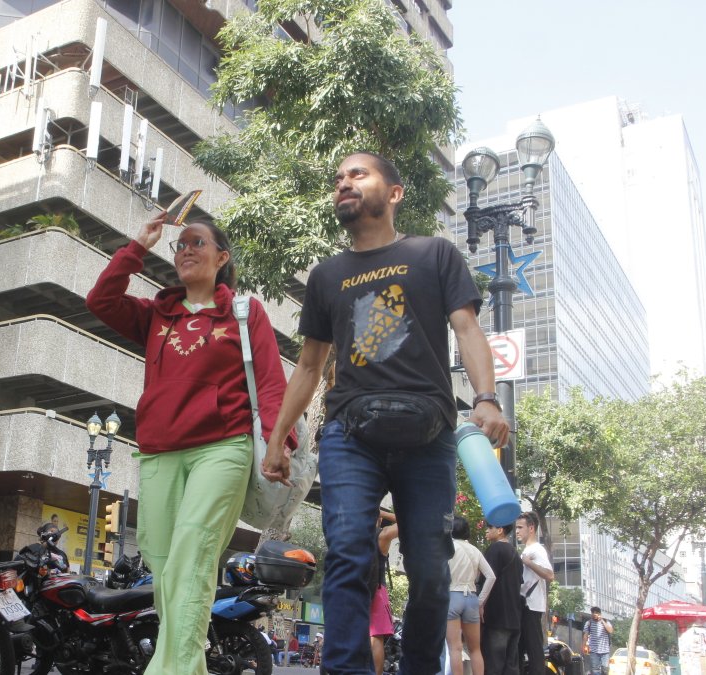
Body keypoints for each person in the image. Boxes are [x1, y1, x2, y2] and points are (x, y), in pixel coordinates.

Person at [260, 150, 509, 675]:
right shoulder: (327, 275)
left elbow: (467, 329)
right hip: (351, 433)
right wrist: (279, 437)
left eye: (358, 174)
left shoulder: (433, 254)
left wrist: (486, 398)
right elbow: (309, 365)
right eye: (338, 178)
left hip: (430, 433)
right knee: (350, 552)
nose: (344, 183)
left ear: (394, 193)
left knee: (430, 570)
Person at [85, 213, 294, 675]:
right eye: (179, 245)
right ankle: (187, 665)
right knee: (162, 562)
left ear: (222, 257)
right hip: (159, 450)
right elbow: (100, 299)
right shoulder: (157, 314)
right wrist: (139, 243)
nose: (185, 250)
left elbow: (272, 382)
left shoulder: (244, 311)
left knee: (193, 552)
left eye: (197, 243)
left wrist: (280, 440)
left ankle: (170, 669)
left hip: (223, 447)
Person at [448, 516, 496, 675]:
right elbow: (491, 576)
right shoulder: (475, 550)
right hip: (471, 599)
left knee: (455, 648)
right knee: (475, 649)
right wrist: (480, 601)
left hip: (452, 596)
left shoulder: (448, 548)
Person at [516, 512, 554, 675]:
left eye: (520, 527)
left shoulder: (537, 550)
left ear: (531, 528)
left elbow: (550, 575)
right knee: (521, 649)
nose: (517, 531)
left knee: (534, 650)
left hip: (531, 606)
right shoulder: (528, 549)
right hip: (526, 606)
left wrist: (528, 563)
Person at [482, 521, 522, 675]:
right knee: (510, 667)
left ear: (500, 530)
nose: (486, 531)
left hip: (497, 618)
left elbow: (487, 579)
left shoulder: (495, 549)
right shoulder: (515, 554)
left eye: (489, 528)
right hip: (514, 619)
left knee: (493, 665)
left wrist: (480, 604)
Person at [373, 512, 401, 675]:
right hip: (376, 589)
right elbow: (406, 518)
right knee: (376, 636)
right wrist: (380, 511)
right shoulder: (382, 536)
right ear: (379, 519)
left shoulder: (352, 534)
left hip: (353, 589)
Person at [582, 607, 615, 675]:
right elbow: (585, 635)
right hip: (594, 651)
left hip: (605, 651)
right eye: (593, 612)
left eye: (596, 613)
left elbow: (611, 630)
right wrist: (583, 646)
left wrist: (602, 621)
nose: (594, 614)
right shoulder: (588, 623)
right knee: (595, 670)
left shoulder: (606, 621)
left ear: (600, 614)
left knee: (605, 671)